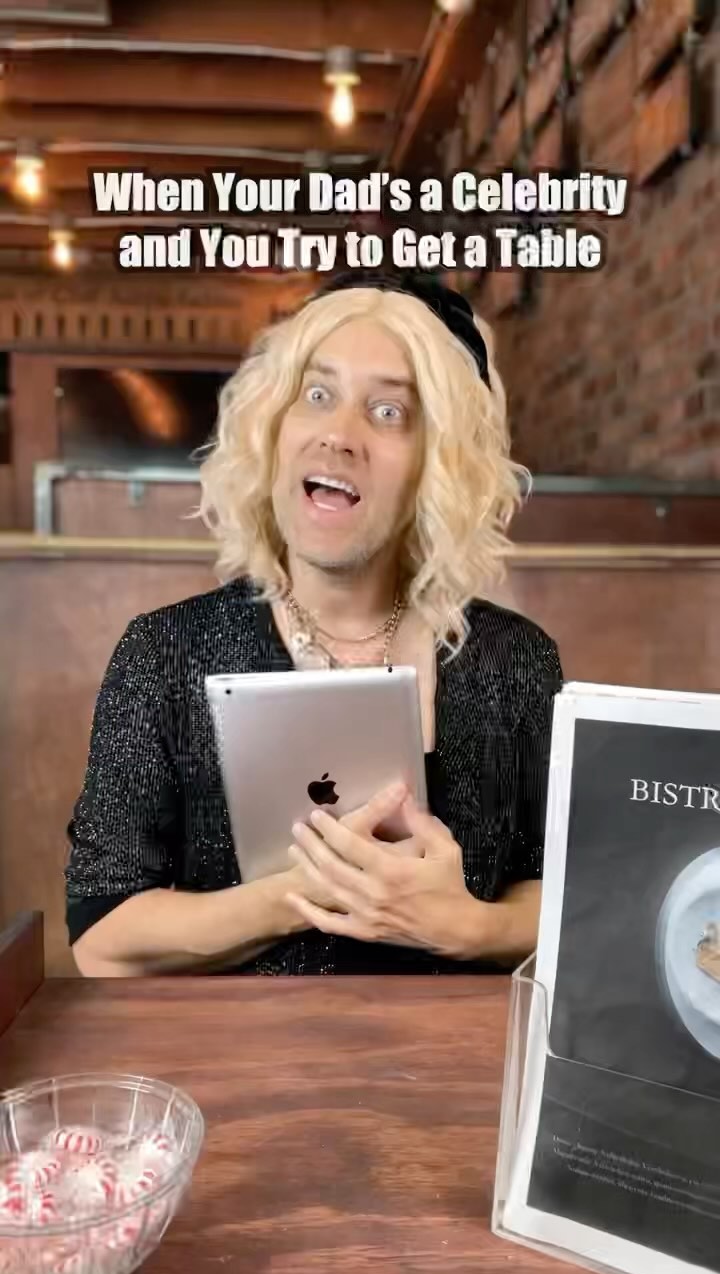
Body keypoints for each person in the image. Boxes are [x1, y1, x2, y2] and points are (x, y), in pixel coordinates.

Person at [64, 271, 563, 978]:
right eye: (318, 395)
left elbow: (567, 894)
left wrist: (466, 927)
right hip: (241, 1047)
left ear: (437, 466)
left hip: (456, 1047)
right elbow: (101, 937)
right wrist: (302, 896)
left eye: (388, 411)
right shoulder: (163, 654)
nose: (339, 435)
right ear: (272, 428)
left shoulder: (516, 661)